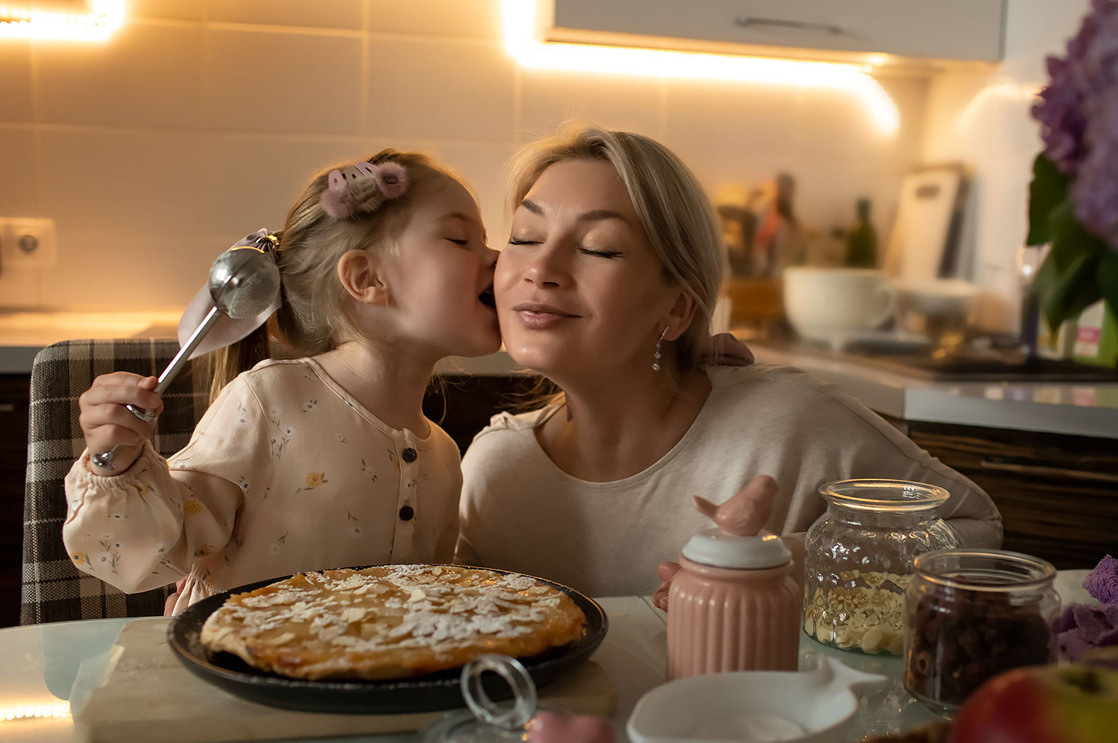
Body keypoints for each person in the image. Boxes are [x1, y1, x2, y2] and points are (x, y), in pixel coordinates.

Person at [455, 125, 1003, 598]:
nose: (540, 268)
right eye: (524, 237)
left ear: (677, 307)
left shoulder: (790, 426)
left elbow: (976, 526)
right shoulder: (493, 469)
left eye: (599, 247)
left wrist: (799, 560)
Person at [64, 149, 500, 614]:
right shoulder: (268, 401)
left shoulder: (444, 456)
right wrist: (117, 463)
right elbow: (161, 554)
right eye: (459, 239)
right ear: (366, 277)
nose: (499, 257)